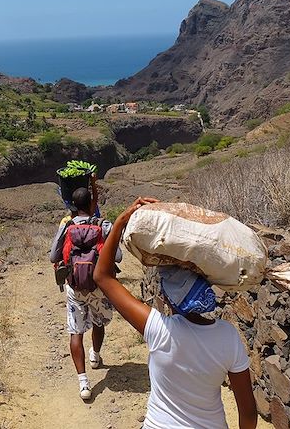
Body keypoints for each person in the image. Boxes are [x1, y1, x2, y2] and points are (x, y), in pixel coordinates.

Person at [93, 198, 258, 429]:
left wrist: (120, 221)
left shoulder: (158, 328)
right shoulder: (228, 337)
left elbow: (102, 277)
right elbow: (248, 412)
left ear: (168, 298)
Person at [49, 182, 119, 401]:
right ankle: (96, 356)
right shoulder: (104, 226)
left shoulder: (67, 226)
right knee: (98, 323)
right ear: (91, 204)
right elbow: (117, 257)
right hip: (99, 286)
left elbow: (53, 257)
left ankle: (84, 384)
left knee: (75, 332)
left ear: (72, 205)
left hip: (75, 288)